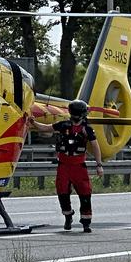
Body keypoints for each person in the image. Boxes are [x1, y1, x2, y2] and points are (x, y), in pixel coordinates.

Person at [27, 100, 104, 233]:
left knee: (85, 193)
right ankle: (68, 216)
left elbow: (96, 147)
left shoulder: (87, 129)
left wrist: (99, 165)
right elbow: (46, 128)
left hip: (79, 165)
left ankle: (86, 222)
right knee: (62, 192)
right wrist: (33, 122)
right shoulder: (63, 125)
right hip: (64, 165)